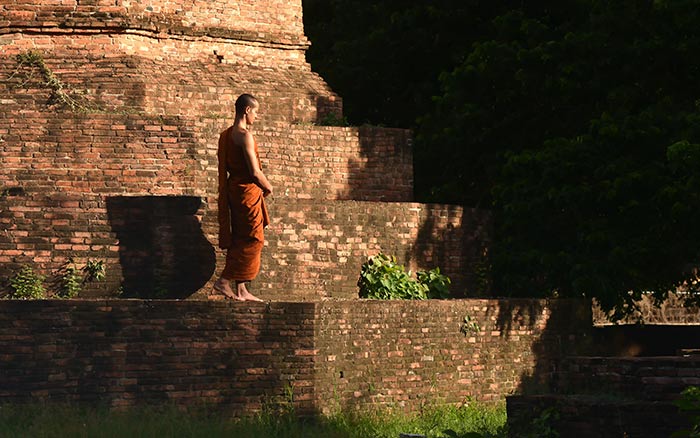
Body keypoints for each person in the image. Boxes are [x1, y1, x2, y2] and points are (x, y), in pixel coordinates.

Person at [213, 93, 273, 301]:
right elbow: (255, 172)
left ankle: (242, 289)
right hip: (247, 191)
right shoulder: (245, 136)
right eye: (255, 112)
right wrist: (268, 187)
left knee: (240, 237)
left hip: (235, 191)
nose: (256, 116)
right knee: (254, 239)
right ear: (247, 110)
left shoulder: (225, 135)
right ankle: (224, 280)